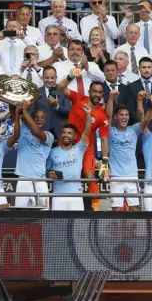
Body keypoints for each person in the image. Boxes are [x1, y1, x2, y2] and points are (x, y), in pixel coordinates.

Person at [57, 67, 110, 211]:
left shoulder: (101, 115)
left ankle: (96, 210)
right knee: (65, 173)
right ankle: (61, 204)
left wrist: (104, 162)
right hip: (69, 143)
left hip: (87, 147)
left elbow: (104, 139)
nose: (97, 94)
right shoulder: (79, 98)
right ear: (89, 92)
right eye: (95, 91)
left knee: (89, 175)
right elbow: (61, 87)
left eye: (100, 92)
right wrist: (70, 76)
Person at [105, 92, 152, 212]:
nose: (124, 117)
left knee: (135, 209)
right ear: (116, 117)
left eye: (126, 115)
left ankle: (136, 232)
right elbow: (107, 117)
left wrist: (147, 105)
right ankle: (118, 232)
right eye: (121, 115)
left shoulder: (134, 130)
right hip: (115, 176)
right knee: (117, 210)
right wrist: (110, 99)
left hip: (132, 175)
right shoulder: (110, 131)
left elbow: (145, 120)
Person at [46, 108, 93, 211]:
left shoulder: (79, 149)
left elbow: (87, 132)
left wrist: (88, 114)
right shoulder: (53, 151)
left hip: (75, 195)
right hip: (58, 196)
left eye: (69, 133)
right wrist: (50, 174)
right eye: (64, 132)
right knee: (58, 226)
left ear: (75, 136)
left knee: (76, 226)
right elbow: (47, 170)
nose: (66, 135)